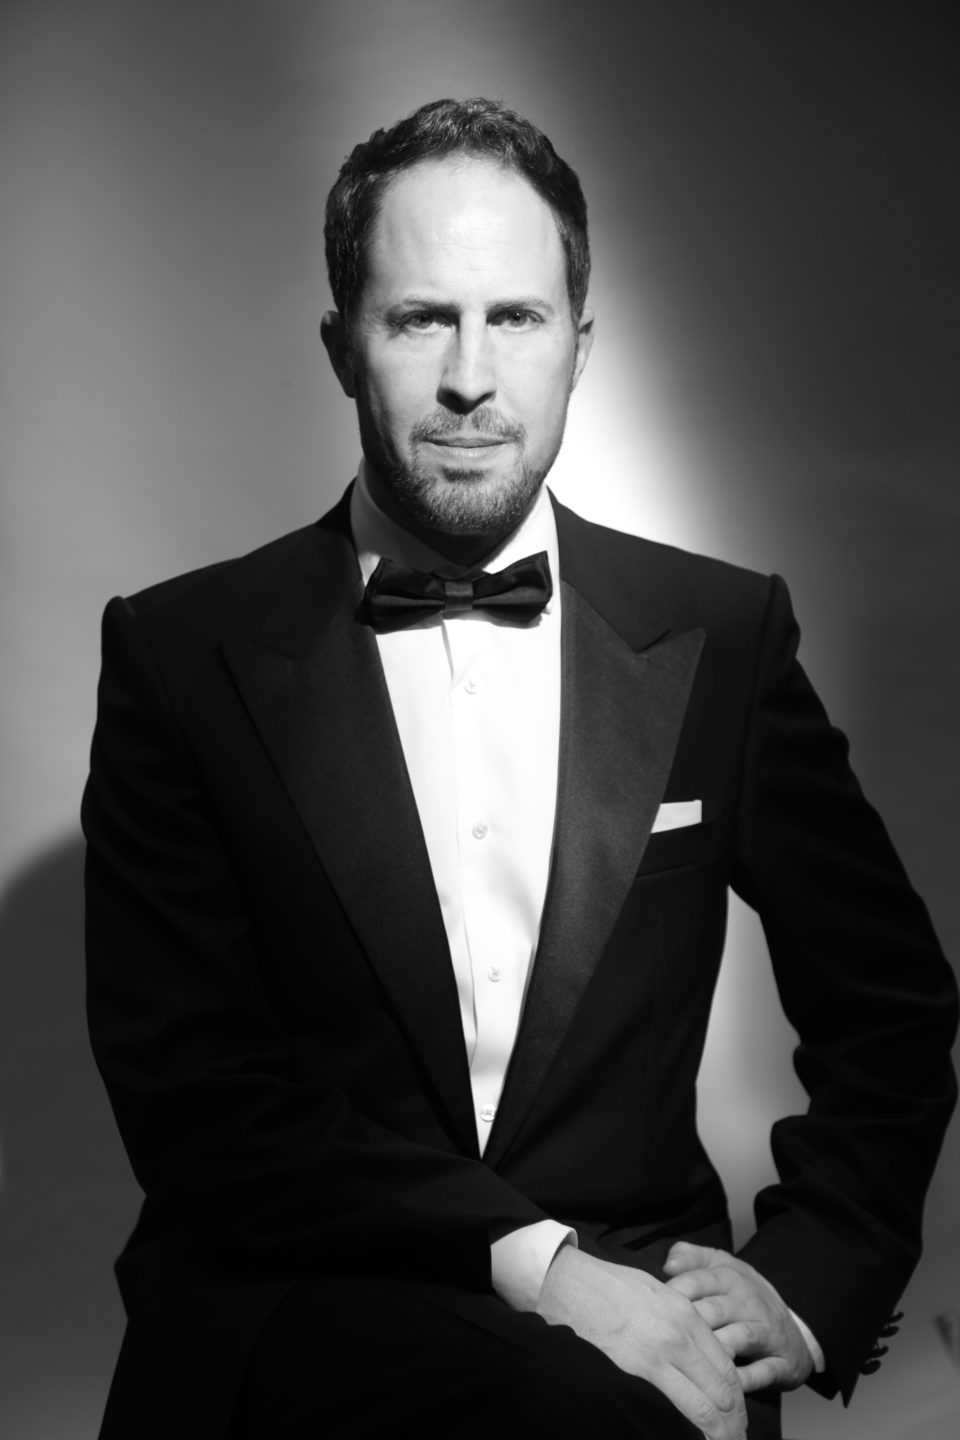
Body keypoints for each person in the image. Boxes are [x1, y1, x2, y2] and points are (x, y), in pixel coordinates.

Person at [82, 98, 957, 1440]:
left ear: (581, 347)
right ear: (341, 347)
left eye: (518, 318)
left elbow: (889, 1005)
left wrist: (809, 1282)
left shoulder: (722, 636)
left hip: (649, 1333)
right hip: (301, 1313)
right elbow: (195, 1096)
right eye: (420, 319)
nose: (471, 377)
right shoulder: (180, 655)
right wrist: (540, 1271)